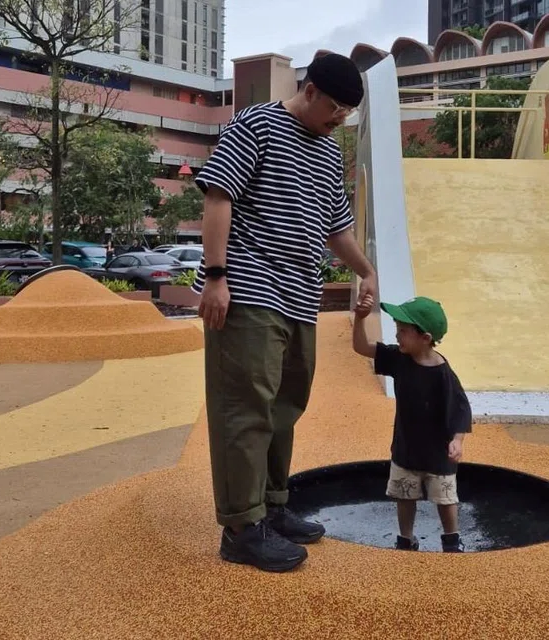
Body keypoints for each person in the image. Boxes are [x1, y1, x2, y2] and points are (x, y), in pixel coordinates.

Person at [193, 52, 378, 573]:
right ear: (312, 89)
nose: (340, 119)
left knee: (285, 405)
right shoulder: (255, 124)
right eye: (336, 108)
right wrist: (215, 276)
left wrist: (367, 271)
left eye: (348, 114)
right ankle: (240, 527)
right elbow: (218, 195)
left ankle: (272, 508)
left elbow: (336, 228)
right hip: (249, 287)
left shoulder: (325, 153)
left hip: (301, 296)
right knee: (245, 405)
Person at [352, 294, 473, 553]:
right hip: (406, 449)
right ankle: (405, 538)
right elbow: (362, 347)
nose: (397, 336)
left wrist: (457, 439)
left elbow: (461, 408)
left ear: (425, 338)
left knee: (445, 497)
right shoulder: (399, 358)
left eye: (403, 331)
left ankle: (451, 539)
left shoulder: (443, 374)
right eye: (397, 330)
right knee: (404, 496)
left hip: (438, 454)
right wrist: (360, 320)